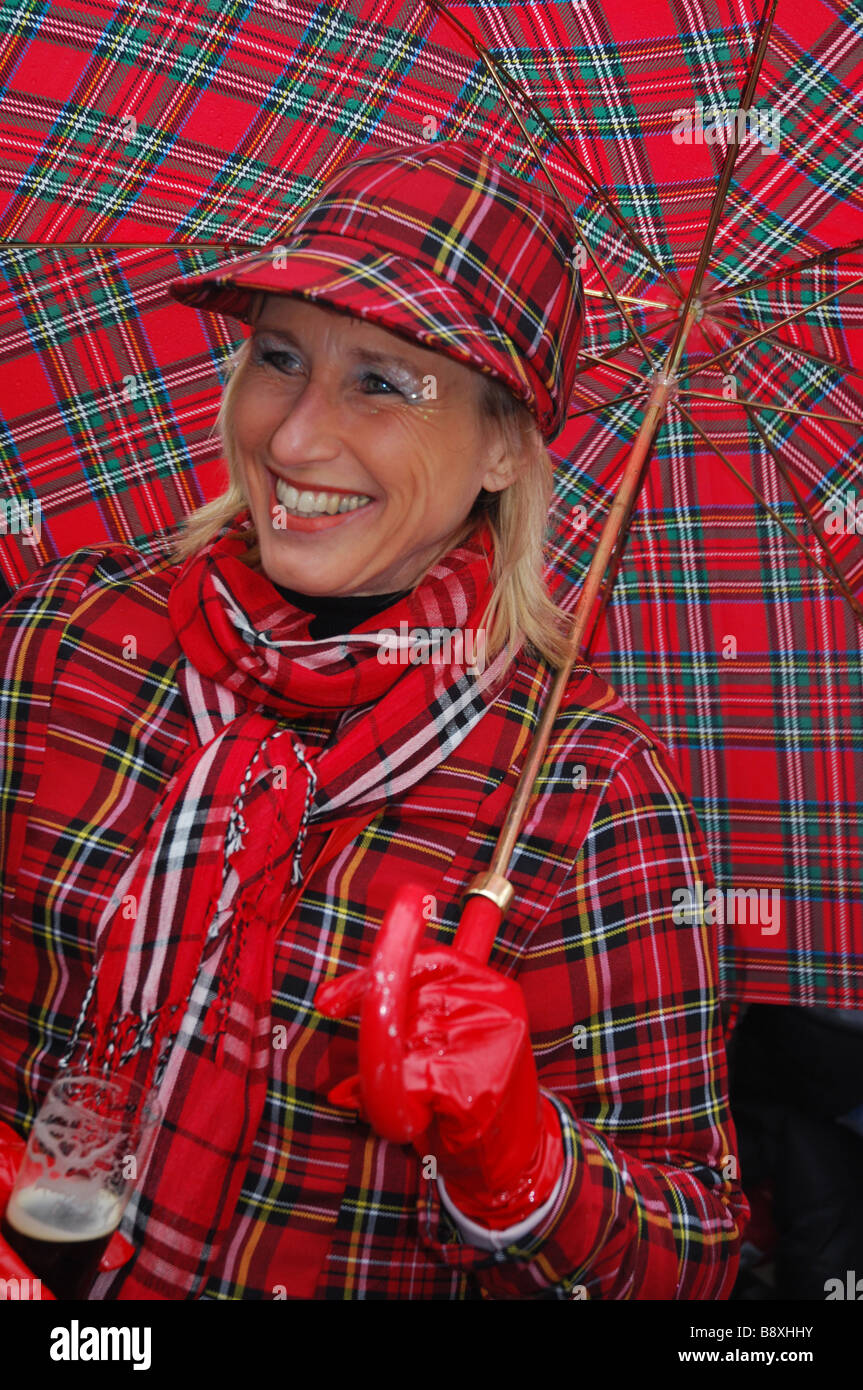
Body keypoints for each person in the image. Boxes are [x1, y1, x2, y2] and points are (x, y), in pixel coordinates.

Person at [0, 141, 748, 1300]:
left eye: (383, 383)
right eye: (278, 357)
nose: (291, 440)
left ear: (504, 446)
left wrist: (517, 1160)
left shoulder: (585, 785)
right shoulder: (68, 638)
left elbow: (688, 1265)